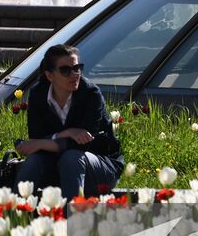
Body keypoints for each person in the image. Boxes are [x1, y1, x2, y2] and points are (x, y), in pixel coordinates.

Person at [15, 44, 123, 199]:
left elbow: (84, 143)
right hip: (57, 166)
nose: (74, 74)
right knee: (34, 161)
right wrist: (68, 133)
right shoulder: (38, 95)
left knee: (71, 157)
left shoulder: (91, 94)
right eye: (66, 70)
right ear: (50, 75)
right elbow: (36, 138)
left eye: (77, 68)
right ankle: (11, 214)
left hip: (100, 167)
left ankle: (70, 219)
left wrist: (43, 142)